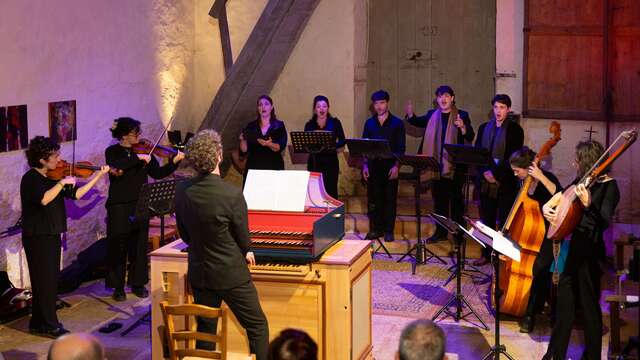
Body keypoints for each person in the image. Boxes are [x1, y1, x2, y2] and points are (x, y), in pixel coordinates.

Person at [175, 129, 269, 360]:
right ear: (218, 156)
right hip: (230, 274)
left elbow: (185, 235)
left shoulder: (182, 191)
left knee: (206, 330)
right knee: (258, 326)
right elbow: (243, 238)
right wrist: (247, 250)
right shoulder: (231, 194)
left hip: (200, 273)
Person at [21, 136, 109, 338]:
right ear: (42, 159)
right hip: (38, 236)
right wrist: (61, 184)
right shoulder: (31, 179)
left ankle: (38, 323)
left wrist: (97, 177)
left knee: (49, 280)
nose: (59, 159)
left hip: (51, 234)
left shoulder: (52, 177)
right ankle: (49, 324)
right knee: (44, 280)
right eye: (54, 156)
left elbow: (76, 195)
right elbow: (43, 200)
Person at [542, 140, 620, 360]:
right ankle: (554, 355)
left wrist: (588, 204)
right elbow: (565, 194)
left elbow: (604, 221)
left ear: (585, 161)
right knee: (564, 308)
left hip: (591, 254)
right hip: (574, 248)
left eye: (577, 160)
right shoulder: (585, 180)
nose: (573, 163)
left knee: (589, 309)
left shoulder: (610, 186)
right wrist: (550, 206)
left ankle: (592, 356)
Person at [104, 117, 184, 301]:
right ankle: (118, 287)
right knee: (118, 245)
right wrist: (137, 158)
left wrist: (175, 162)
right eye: (135, 133)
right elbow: (116, 167)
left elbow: (157, 173)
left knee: (139, 245)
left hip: (140, 203)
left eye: (138, 132)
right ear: (124, 135)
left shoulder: (145, 153)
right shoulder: (113, 151)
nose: (139, 136)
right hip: (119, 206)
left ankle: (138, 283)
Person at [404, 85, 475, 241]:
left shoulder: (461, 115)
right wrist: (410, 115)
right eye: (440, 96)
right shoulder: (432, 115)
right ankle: (441, 232)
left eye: (446, 96)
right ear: (437, 99)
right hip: (436, 166)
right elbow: (418, 121)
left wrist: (463, 127)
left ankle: (458, 233)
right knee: (440, 201)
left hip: (455, 167)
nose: (443, 99)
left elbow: (470, 135)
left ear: (452, 98)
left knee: (456, 201)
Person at [508, 147, 562, 333]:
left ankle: (530, 313)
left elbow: (561, 196)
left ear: (529, 168)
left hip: (547, 236)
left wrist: (540, 177)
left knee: (538, 268)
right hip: (527, 236)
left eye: (518, 171)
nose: (516, 175)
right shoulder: (523, 183)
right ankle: (516, 301)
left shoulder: (547, 178)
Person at [473, 94, 524, 265]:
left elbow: (512, 156)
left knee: (503, 222)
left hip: (505, 182)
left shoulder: (516, 130)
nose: (498, 111)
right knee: (486, 221)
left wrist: (495, 174)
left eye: (502, 107)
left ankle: (502, 257)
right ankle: (486, 254)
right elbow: (479, 154)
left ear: (508, 110)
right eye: (496, 107)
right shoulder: (483, 128)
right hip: (486, 182)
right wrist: (486, 172)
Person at [362, 89, 406, 242]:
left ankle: (388, 230)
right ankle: (376, 229)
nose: (379, 106)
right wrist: (365, 166)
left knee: (389, 199)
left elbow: (401, 148)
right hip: (373, 166)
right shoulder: (369, 123)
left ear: (387, 103)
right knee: (373, 199)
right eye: (376, 103)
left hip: (389, 167)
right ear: (373, 106)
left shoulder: (397, 123)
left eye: (382, 103)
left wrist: (396, 167)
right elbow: (364, 148)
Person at [303, 95, 346, 199]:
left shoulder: (335, 122)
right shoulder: (310, 124)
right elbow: (305, 143)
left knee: (330, 191)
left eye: (324, 106)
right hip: (314, 161)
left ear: (328, 108)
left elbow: (342, 140)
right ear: (314, 109)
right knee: (315, 192)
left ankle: (331, 214)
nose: (321, 109)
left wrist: (331, 145)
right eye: (318, 106)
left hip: (330, 161)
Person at [239, 95, 288, 186]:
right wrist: (242, 140)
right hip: (254, 166)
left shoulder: (279, 125)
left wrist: (269, 144)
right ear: (258, 108)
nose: (263, 107)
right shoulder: (251, 126)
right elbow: (244, 150)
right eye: (260, 105)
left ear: (271, 107)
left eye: (266, 104)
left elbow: (279, 147)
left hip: (273, 165)